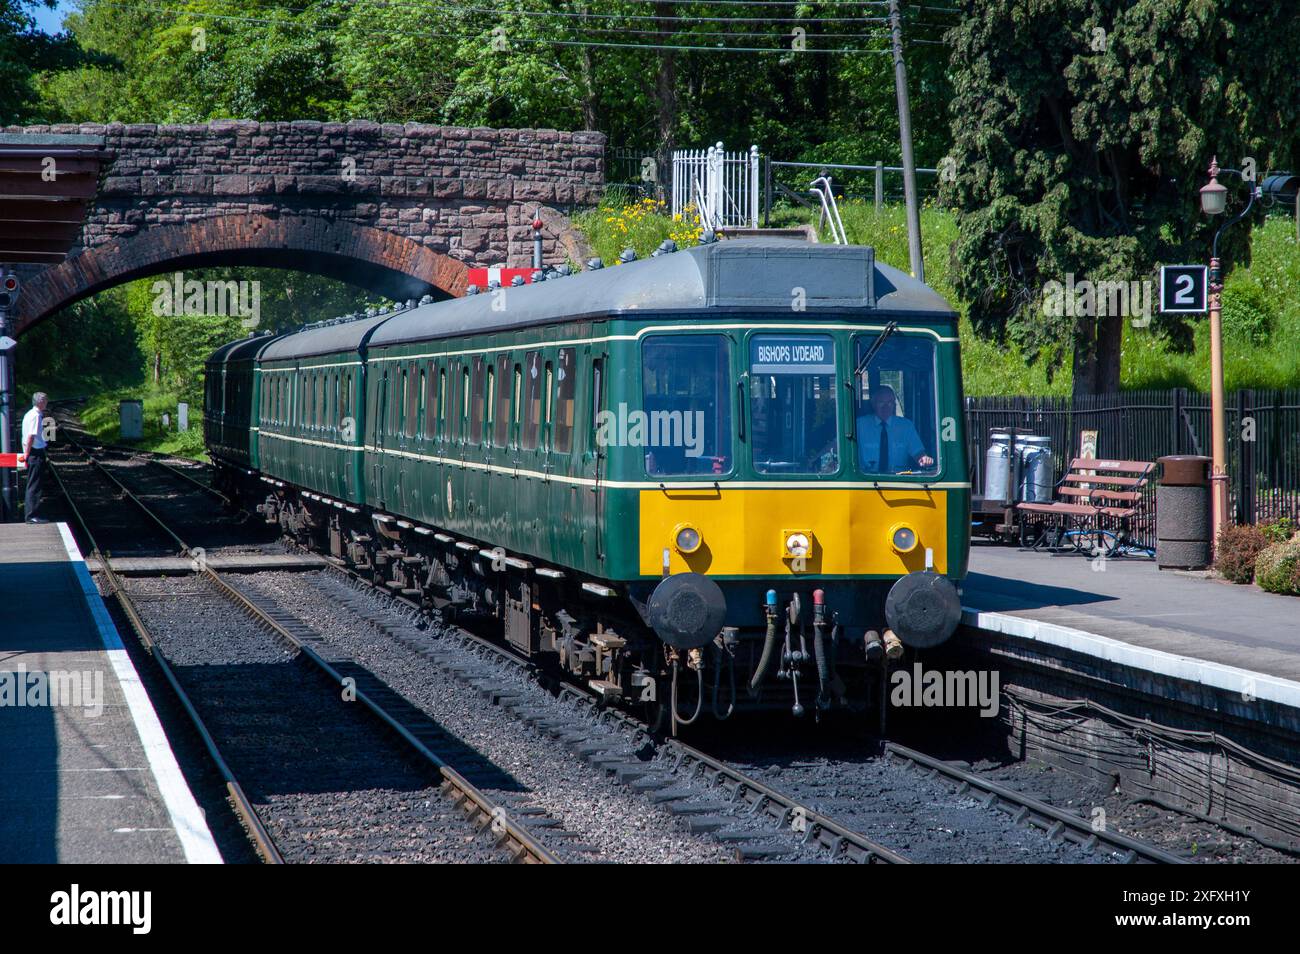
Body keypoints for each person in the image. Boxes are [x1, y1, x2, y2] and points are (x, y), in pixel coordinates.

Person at [856, 384, 935, 473]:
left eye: (890, 403)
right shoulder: (859, 425)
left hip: (898, 480)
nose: (886, 407)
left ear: (894, 405)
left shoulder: (906, 426)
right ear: (873, 403)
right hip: (866, 480)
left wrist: (924, 459)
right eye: (881, 402)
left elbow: (918, 453)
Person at [21, 391, 49, 523]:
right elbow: (31, 436)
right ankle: (32, 515)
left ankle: (32, 514)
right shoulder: (36, 416)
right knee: (34, 485)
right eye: (45, 401)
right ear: (41, 402)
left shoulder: (29, 414)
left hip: (33, 452)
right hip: (35, 453)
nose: (46, 403)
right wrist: (27, 453)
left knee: (33, 484)